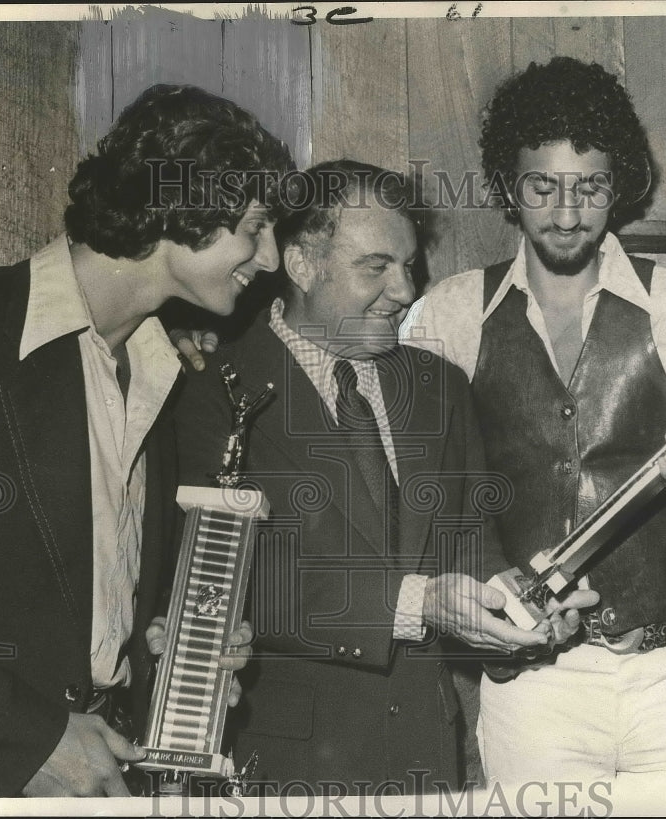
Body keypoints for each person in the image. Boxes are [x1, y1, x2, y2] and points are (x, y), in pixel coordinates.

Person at [0, 83, 293, 797]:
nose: (271, 258)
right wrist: (33, 740)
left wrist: (180, 661)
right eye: (257, 226)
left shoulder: (161, 371)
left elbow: (92, 604)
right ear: (185, 207)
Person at [172, 160, 598, 795]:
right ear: (302, 264)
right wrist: (421, 602)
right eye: (376, 267)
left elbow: (469, 549)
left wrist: (520, 609)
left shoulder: (440, 389)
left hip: (424, 757)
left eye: (407, 267)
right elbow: (224, 589)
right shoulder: (211, 391)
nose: (403, 291)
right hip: (285, 770)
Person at [400, 56, 666, 783]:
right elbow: (411, 487)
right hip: (533, 688)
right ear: (509, 185)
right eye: (543, 187)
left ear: (616, 186)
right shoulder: (448, 312)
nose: (567, 214)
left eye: (589, 186)